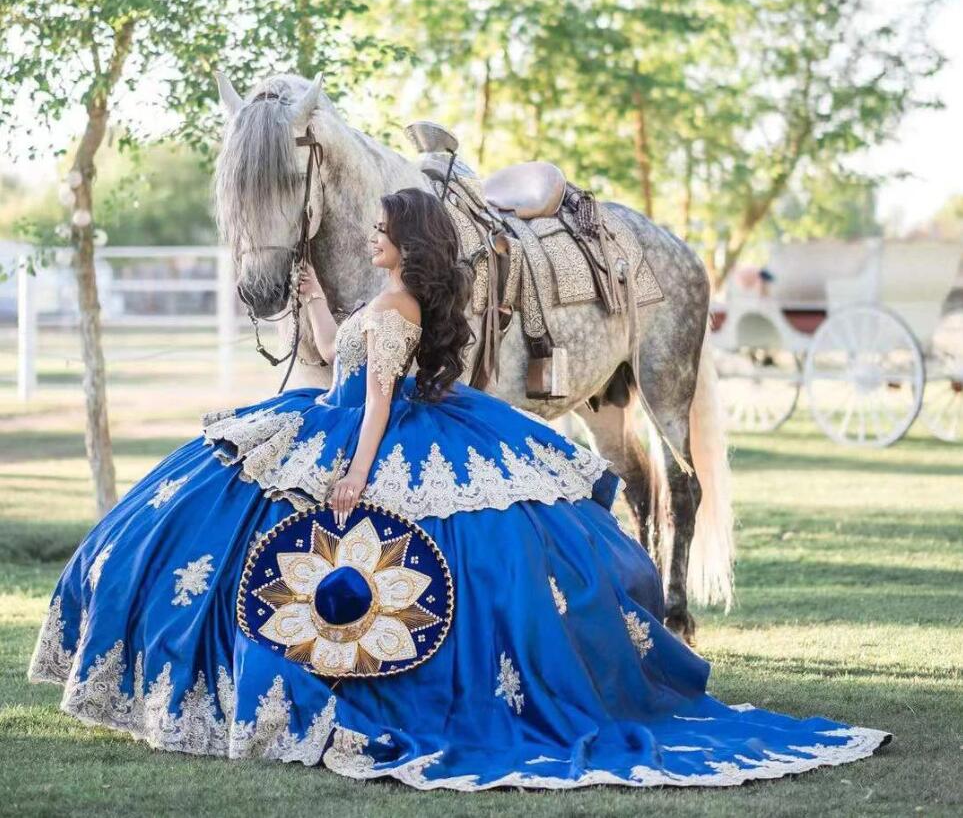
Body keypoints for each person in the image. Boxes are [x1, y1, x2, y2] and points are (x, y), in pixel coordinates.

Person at [28, 188, 889, 790]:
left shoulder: (401, 308)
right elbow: (333, 355)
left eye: (380, 231)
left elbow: (374, 400)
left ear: (410, 243)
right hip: (335, 412)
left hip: (361, 431)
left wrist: (354, 475)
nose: (370, 237)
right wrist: (314, 300)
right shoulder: (385, 299)